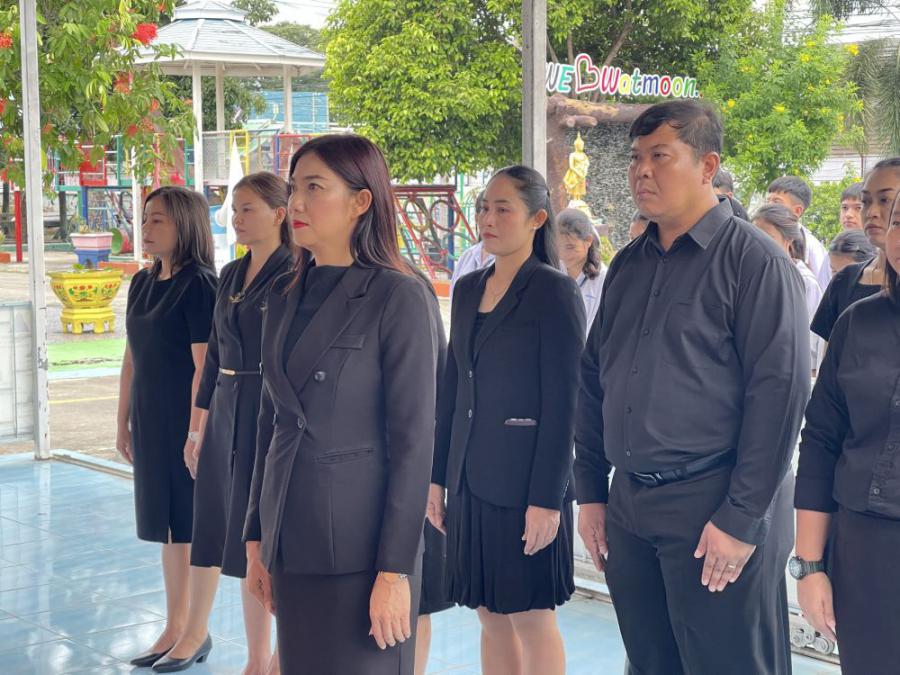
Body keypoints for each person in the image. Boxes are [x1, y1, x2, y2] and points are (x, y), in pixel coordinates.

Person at [575, 100, 810, 675]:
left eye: (660, 156)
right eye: (636, 158)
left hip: (713, 507)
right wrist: (592, 491)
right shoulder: (630, 265)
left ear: (708, 166)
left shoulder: (755, 263)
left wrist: (740, 519)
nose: (642, 171)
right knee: (651, 662)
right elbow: (593, 379)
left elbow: (778, 398)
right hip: (630, 506)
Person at [243, 134, 438, 675]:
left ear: (361, 201)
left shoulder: (399, 295)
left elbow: (414, 442)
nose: (296, 203)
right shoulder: (283, 294)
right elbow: (271, 422)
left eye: (314, 188)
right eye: (293, 188)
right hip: (291, 537)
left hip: (362, 551)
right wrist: (257, 536)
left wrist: (395, 571)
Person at [429, 166, 585, 675]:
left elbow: (564, 403)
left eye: (503, 209)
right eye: (483, 208)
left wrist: (547, 499)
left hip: (525, 485)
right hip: (470, 480)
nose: (488, 219)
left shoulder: (553, 291)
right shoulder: (468, 288)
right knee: (489, 614)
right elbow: (453, 389)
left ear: (537, 219)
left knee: (532, 619)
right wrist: (437, 477)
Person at [156, 173, 294, 674]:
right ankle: (256, 659)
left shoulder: (295, 271)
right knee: (237, 544)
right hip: (227, 409)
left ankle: (280, 658)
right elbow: (213, 358)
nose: (236, 218)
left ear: (279, 214)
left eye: (247, 208)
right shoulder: (232, 273)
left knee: (269, 540)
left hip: (270, 408)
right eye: (233, 209)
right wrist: (198, 429)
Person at [793, 184, 900, 675]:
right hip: (865, 551)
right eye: (898, 222)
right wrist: (810, 567)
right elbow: (821, 442)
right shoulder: (858, 322)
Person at [116, 186, 217, 668]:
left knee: (195, 527)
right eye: (145, 218)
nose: (146, 228)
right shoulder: (142, 282)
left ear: (185, 225)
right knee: (169, 529)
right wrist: (122, 421)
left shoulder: (200, 286)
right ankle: (174, 626)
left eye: (158, 220)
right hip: (150, 419)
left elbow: (204, 369)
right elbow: (131, 357)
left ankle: (197, 630)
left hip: (184, 420)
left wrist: (195, 433)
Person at [811, 158, 900, 342]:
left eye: (884, 200)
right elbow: (831, 354)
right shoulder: (844, 280)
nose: (871, 212)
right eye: (866, 201)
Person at [752, 203, 825, 375]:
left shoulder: (805, 281)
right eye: (754, 237)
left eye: (768, 238)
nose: (759, 244)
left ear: (788, 240)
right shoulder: (751, 275)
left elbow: (810, 338)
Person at [767, 175, 832, 290]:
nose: (769, 206)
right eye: (768, 201)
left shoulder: (812, 248)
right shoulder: (759, 234)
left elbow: (820, 288)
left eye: (777, 202)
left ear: (797, 211)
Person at [557, 207, 607, 333]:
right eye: (558, 247)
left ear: (588, 241)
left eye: (570, 247)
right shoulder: (553, 270)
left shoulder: (603, 279)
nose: (563, 255)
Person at [451, 191, 495, 296]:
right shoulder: (467, 256)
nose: (490, 221)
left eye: (502, 210)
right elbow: (453, 298)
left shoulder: (512, 261)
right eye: (485, 210)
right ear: (476, 218)